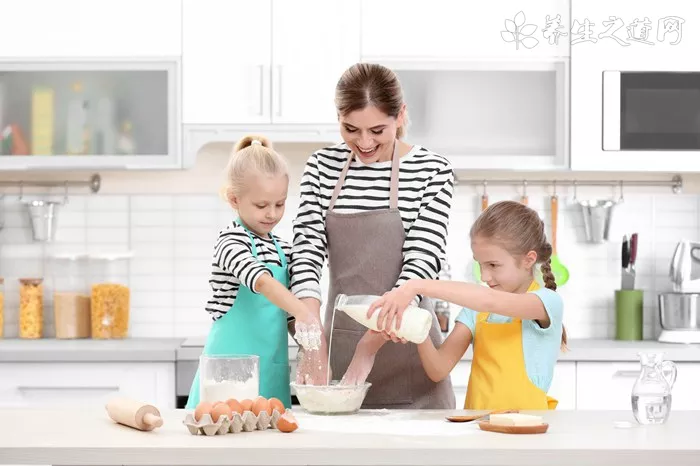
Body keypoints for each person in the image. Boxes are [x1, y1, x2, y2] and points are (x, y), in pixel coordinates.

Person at [290, 63, 456, 409]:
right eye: (350, 129)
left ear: (401, 115)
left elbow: (422, 261)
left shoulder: (432, 171)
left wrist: (369, 347)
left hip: (411, 350)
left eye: (377, 130)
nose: (364, 143)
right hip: (341, 358)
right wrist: (310, 337)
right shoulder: (321, 167)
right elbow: (306, 251)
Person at [368, 200, 566, 410]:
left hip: (528, 433)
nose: (484, 276)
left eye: (493, 265)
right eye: (479, 264)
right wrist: (415, 322)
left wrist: (415, 285)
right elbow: (438, 369)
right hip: (479, 431)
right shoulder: (474, 311)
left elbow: (488, 301)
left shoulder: (546, 302)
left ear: (528, 260)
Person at [186, 135, 321, 410]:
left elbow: (289, 315)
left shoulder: (284, 249)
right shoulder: (230, 242)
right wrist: (304, 312)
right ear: (235, 200)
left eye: (280, 204)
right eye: (262, 205)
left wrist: (311, 343)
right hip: (226, 378)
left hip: (270, 375)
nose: (272, 214)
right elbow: (261, 282)